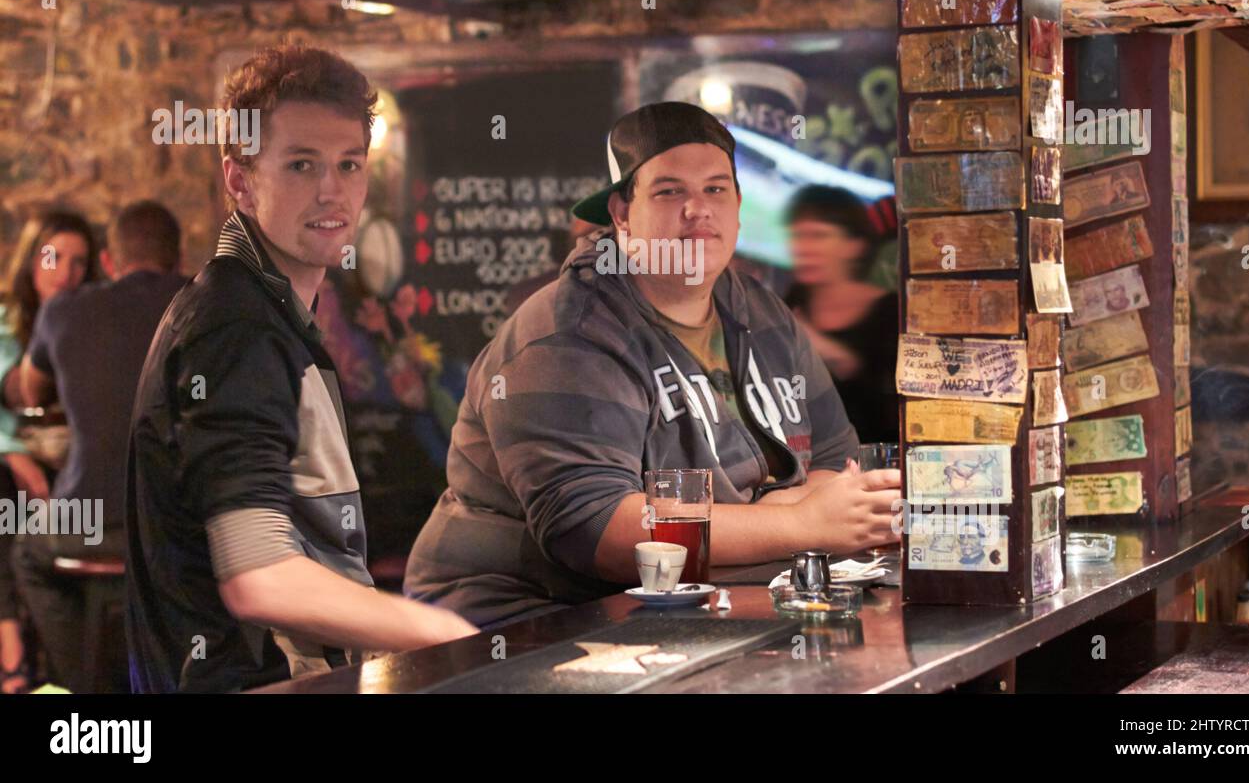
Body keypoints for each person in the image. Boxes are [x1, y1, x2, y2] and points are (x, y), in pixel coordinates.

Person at [404, 101, 901, 627]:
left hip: (689, 605)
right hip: (522, 620)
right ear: (621, 214)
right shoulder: (567, 335)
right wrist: (798, 522)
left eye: (715, 189)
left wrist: (787, 518)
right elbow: (596, 532)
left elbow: (833, 459)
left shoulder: (762, 312)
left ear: (736, 206)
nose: (697, 209)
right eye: (669, 191)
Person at [124, 43, 475, 693]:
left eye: (348, 164)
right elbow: (259, 575)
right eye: (301, 164)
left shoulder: (266, 311)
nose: (331, 191)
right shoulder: (236, 326)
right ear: (240, 180)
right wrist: (447, 636)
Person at [14, 202, 189, 693]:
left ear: (109, 261)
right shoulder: (206, 302)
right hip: (176, 533)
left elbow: (29, 392)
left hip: (87, 521)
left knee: (27, 551)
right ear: (178, 259)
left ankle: (85, 687)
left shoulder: (63, 310)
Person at [0, 209, 95, 694]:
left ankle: (67, 675)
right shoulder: (7, 323)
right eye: (54, 257)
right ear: (32, 261)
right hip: (20, 465)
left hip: (77, 467)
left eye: (80, 262)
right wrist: (14, 451)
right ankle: (12, 651)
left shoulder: (96, 325)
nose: (66, 272)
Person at [783, 185, 899, 444]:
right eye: (797, 235)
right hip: (802, 470)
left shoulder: (891, 314)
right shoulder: (787, 305)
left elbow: (885, 405)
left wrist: (822, 346)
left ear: (854, 245)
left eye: (818, 235)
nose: (804, 247)